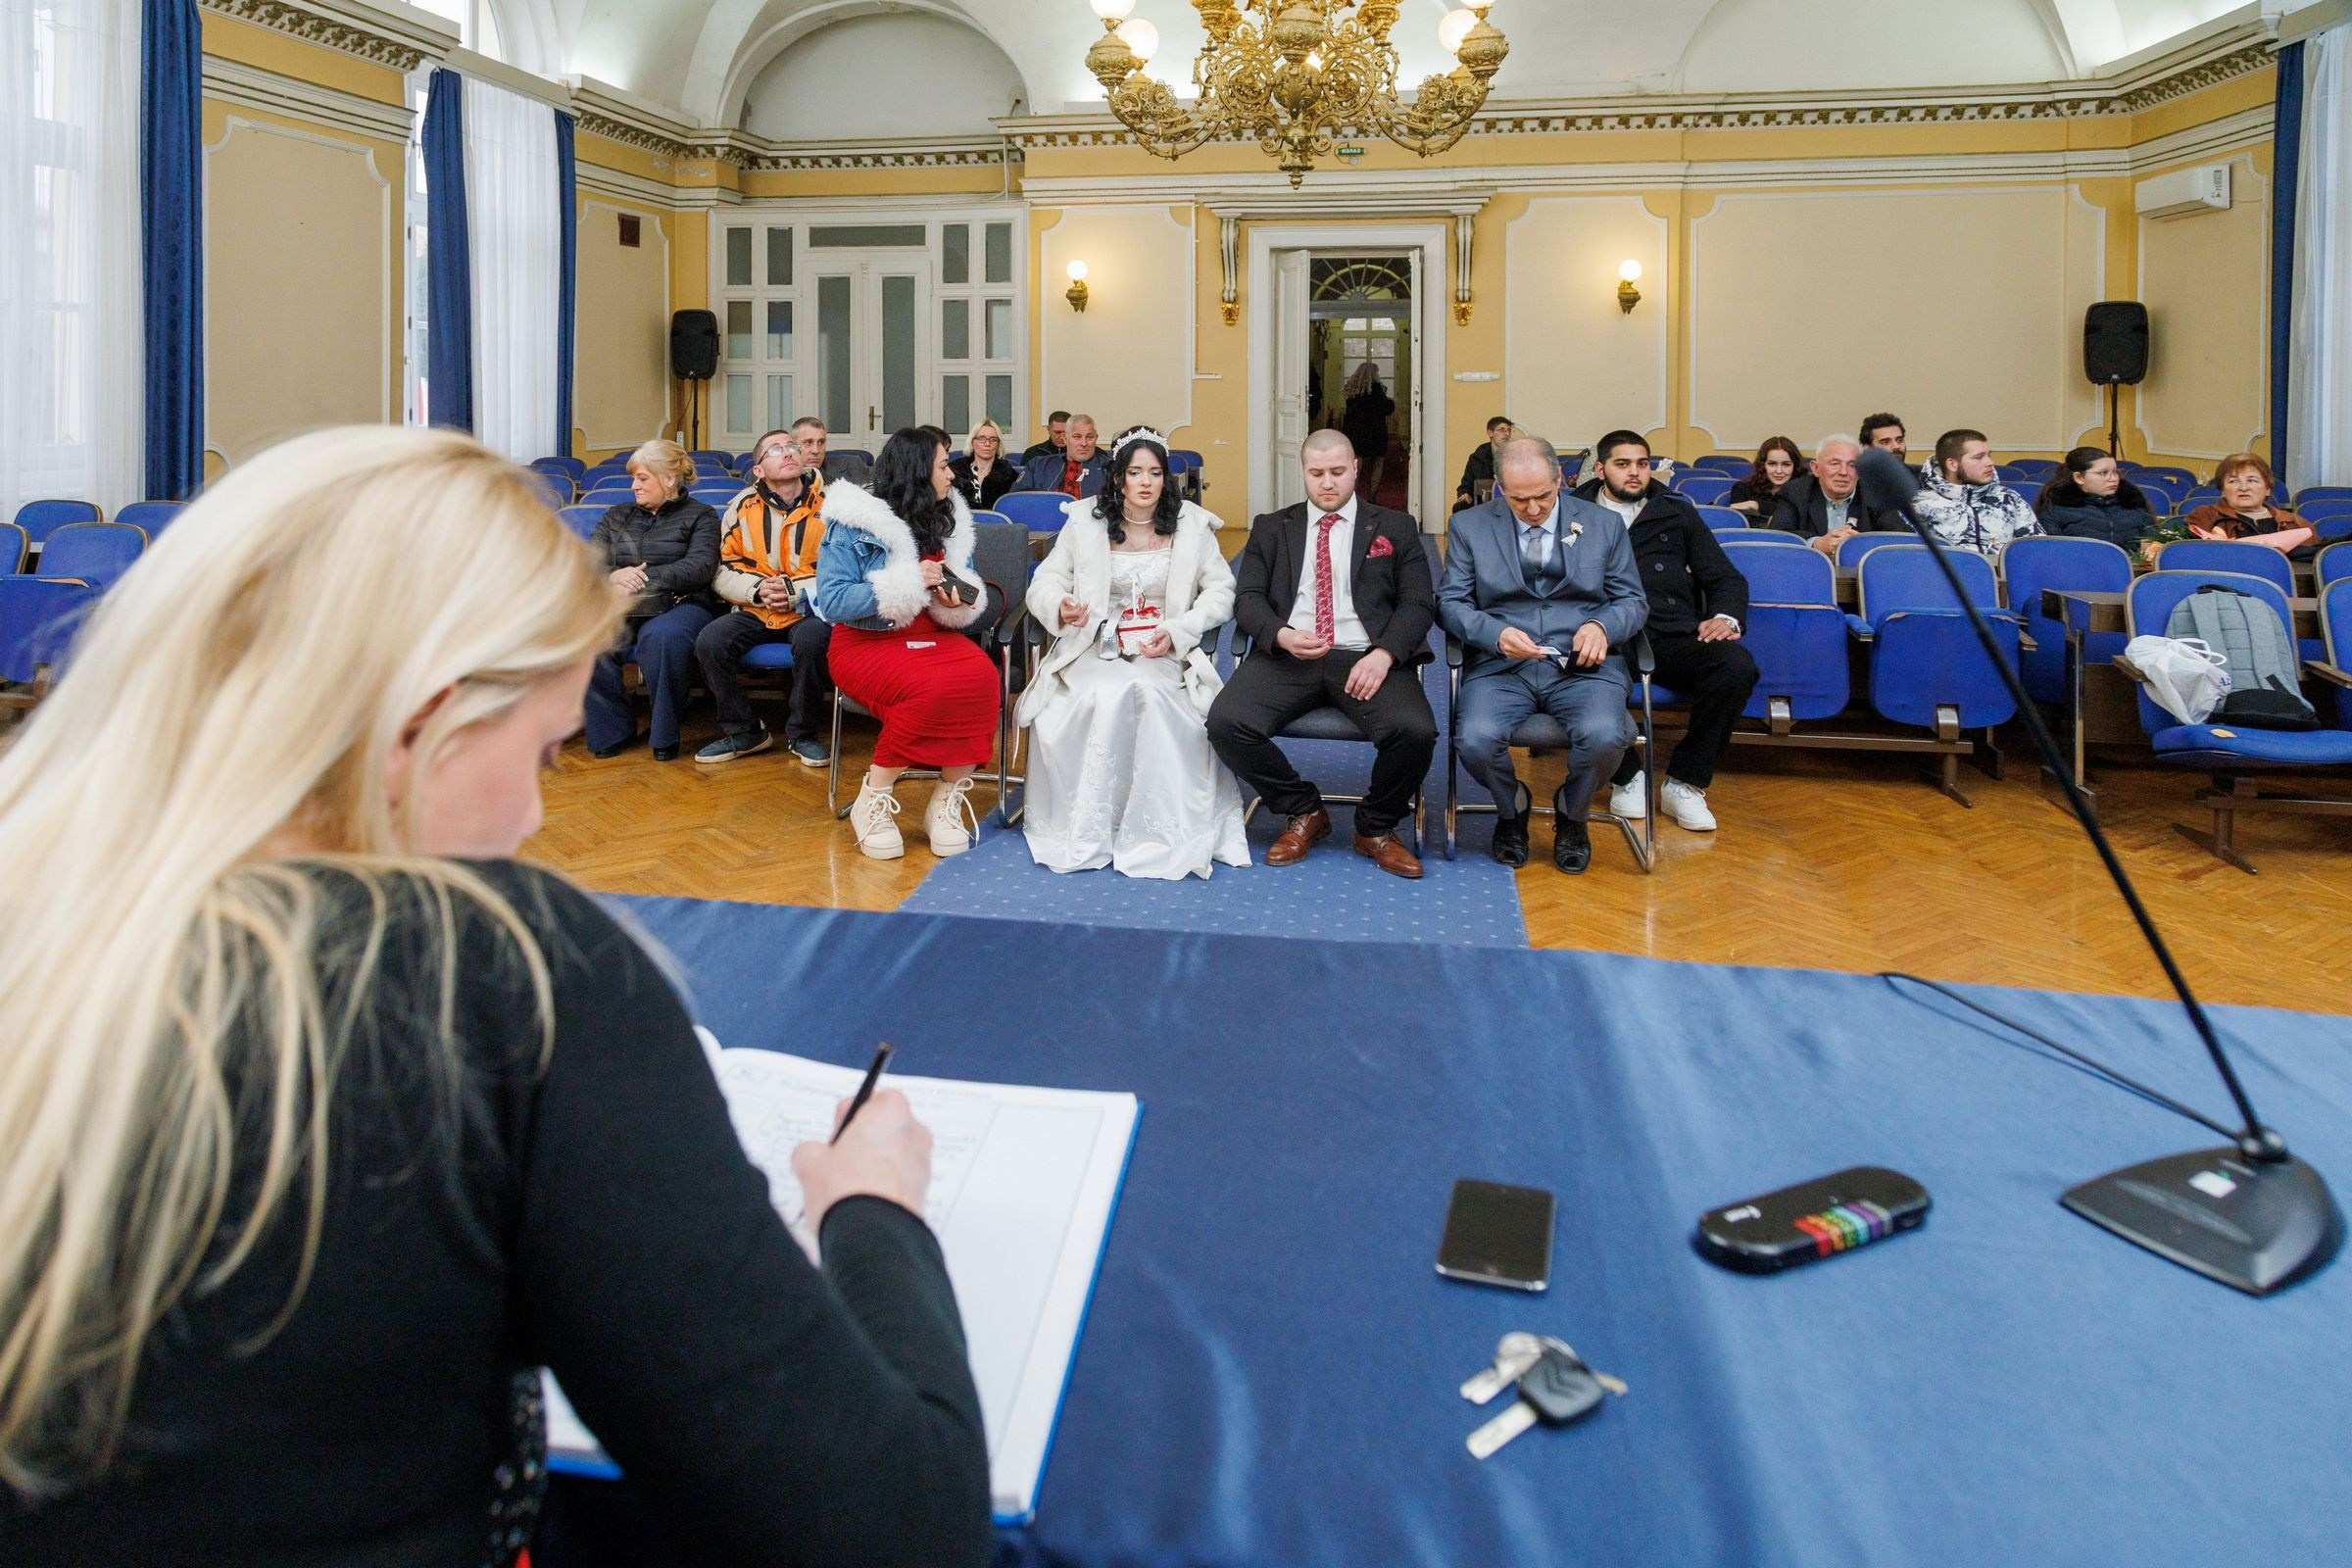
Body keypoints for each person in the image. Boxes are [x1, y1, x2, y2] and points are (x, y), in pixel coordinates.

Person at [0, 425, 993, 1568]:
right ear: (421, 719)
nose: (530, 819)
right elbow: (892, 1530)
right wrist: (877, 1212)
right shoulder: (502, 980)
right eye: (542, 755)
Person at [1206, 429, 1438, 879]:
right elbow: (1248, 599)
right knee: (1225, 723)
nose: (1327, 483)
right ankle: (1303, 810)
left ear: (1355, 469)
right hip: (1290, 655)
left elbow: (1418, 603)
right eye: (1316, 473)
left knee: (1416, 732)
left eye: (1337, 472)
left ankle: (1375, 827)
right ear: (1304, 473)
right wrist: (1282, 634)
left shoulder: (1394, 526)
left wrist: (1385, 653)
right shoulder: (1273, 526)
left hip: (1367, 656)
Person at [1017, 427, 1248, 880]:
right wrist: (1061, 606)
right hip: (1092, 645)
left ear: (1166, 479)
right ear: (1118, 477)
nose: (1146, 482)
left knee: (1145, 692)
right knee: (1095, 697)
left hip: (1161, 648)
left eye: (1156, 473)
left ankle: (1151, 826)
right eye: (1136, 472)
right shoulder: (1085, 522)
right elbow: (1045, 581)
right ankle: (1094, 823)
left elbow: (1221, 591)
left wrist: (1179, 630)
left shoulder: (1192, 524)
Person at [1440, 436, 1647, 873]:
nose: (1533, 509)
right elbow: (1451, 603)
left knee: (1607, 735)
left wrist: (1601, 626)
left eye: (1543, 496)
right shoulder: (1469, 527)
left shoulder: (1604, 525)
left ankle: (1573, 814)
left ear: (1561, 480)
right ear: (1498, 485)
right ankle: (1511, 807)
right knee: (1474, 739)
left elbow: (1632, 601)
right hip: (1502, 665)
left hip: (1584, 667)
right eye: (1519, 499)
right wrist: (1494, 633)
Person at [815, 428, 1001, 860]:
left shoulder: (945, 518)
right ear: (918, 472)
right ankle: (873, 798)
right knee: (931, 690)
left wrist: (952, 598)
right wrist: (910, 581)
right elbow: (834, 600)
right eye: (942, 465)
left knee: (982, 678)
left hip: (931, 634)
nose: (952, 475)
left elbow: (961, 584)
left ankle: (946, 798)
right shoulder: (852, 521)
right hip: (866, 641)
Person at [1570, 431, 1758, 834]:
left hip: (1670, 633)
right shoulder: (1571, 511)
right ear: (1601, 469)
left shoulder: (1676, 511)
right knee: (1580, 676)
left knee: (1735, 666)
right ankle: (1627, 775)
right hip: (1602, 634)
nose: (1635, 473)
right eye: (1623, 464)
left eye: (1642, 463)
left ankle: (1686, 782)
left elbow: (1725, 577)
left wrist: (1725, 617)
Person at [694, 428, 835, 767]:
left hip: (807, 608)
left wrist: (795, 593)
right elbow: (723, 568)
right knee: (710, 641)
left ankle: (803, 733)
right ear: (758, 470)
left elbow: (843, 568)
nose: (787, 453)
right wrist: (757, 591)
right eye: (774, 450)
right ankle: (745, 732)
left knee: (815, 641)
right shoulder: (741, 507)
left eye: (791, 447)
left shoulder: (833, 505)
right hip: (755, 607)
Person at [583, 438, 720, 761]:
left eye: (642, 478)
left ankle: (664, 734)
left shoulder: (702, 515)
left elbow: (700, 566)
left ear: (669, 479)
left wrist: (641, 578)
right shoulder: (616, 515)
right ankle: (611, 730)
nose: (634, 486)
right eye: (633, 478)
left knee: (663, 638)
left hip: (680, 603)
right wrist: (614, 575)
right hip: (623, 605)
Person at [1913, 429, 2041, 555]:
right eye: (1978, 457)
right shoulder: (1919, 505)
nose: (1990, 463)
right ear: (1952, 464)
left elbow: (2036, 549)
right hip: (1944, 574)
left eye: (1989, 455)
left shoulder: (2009, 499)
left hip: (2001, 574)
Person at [1766, 434, 1899, 554]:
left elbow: (1899, 537)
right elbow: (1779, 535)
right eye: (1835, 464)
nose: (1843, 472)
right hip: (1809, 573)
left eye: (1852, 465)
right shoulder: (1795, 492)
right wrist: (1816, 543)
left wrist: (1860, 544)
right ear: (1816, 468)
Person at [2185, 453, 2316, 556]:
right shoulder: (2205, 516)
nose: (2243, 487)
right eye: (2233, 481)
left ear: (2268, 489)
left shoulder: (2293, 522)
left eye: (2252, 480)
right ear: (2223, 490)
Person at [2035, 446, 2159, 552]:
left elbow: (2149, 539)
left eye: (2115, 472)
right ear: (2079, 477)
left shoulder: (2132, 503)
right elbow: (2055, 552)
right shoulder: (2056, 509)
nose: (2114, 478)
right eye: (2103, 473)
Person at [1012, 413, 1107, 497]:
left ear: (1096, 438)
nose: (1084, 443)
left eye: (1089, 437)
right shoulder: (1038, 465)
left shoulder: (1109, 468)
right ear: (1065, 439)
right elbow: (1017, 499)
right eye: (1077, 437)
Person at [1341, 362, 1396, 498]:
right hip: (1375, 431)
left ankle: (1352, 497)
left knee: (1356, 466)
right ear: (1374, 374)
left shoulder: (1352, 389)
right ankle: (1372, 497)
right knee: (1378, 463)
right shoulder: (1377, 389)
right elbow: (1386, 408)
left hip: (1355, 432)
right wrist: (1390, 401)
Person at [948, 418, 1020, 513]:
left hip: (997, 525)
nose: (987, 444)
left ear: (998, 444)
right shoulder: (955, 471)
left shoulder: (1009, 474)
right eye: (982, 439)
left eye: (993, 440)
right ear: (972, 442)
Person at [1453, 415, 1516, 514]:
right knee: (1459, 507)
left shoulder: (1515, 456)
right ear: (1490, 432)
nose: (1507, 433)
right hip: (1481, 501)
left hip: (1508, 500)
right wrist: (1464, 493)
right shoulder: (1477, 457)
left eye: (1509, 430)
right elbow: (1466, 483)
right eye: (1502, 430)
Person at [1726, 436, 1801, 515]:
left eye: (1786, 464)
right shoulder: (1742, 488)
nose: (1779, 471)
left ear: (1795, 466)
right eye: (1772, 464)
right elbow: (1736, 519)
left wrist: (1756, 505)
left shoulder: (1805, 490)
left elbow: (1797, 514)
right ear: (1763, 465)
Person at [792, 416, 870, 486]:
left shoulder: (853, 465)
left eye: (821, 442)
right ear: (793, 446)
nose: (816, 451)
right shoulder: (783, 477)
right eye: (808, 443)